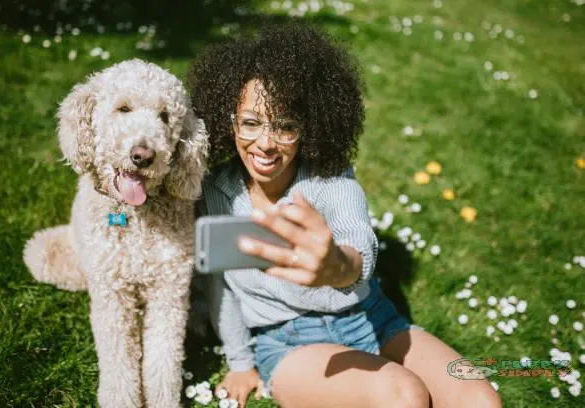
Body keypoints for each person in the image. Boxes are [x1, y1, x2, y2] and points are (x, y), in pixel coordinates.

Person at [187, 21, 502, 408]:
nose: (265, 144)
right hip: (288, 342)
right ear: (228, 119)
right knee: (406, 396)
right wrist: (239, 362)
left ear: (309, 127)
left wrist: (336, 266)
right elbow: (222, 285)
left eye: (285, 126)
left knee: (481, 399)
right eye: (250, 123)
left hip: (372, 319)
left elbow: (360, 251)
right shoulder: (216, 191)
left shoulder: (331, 180)